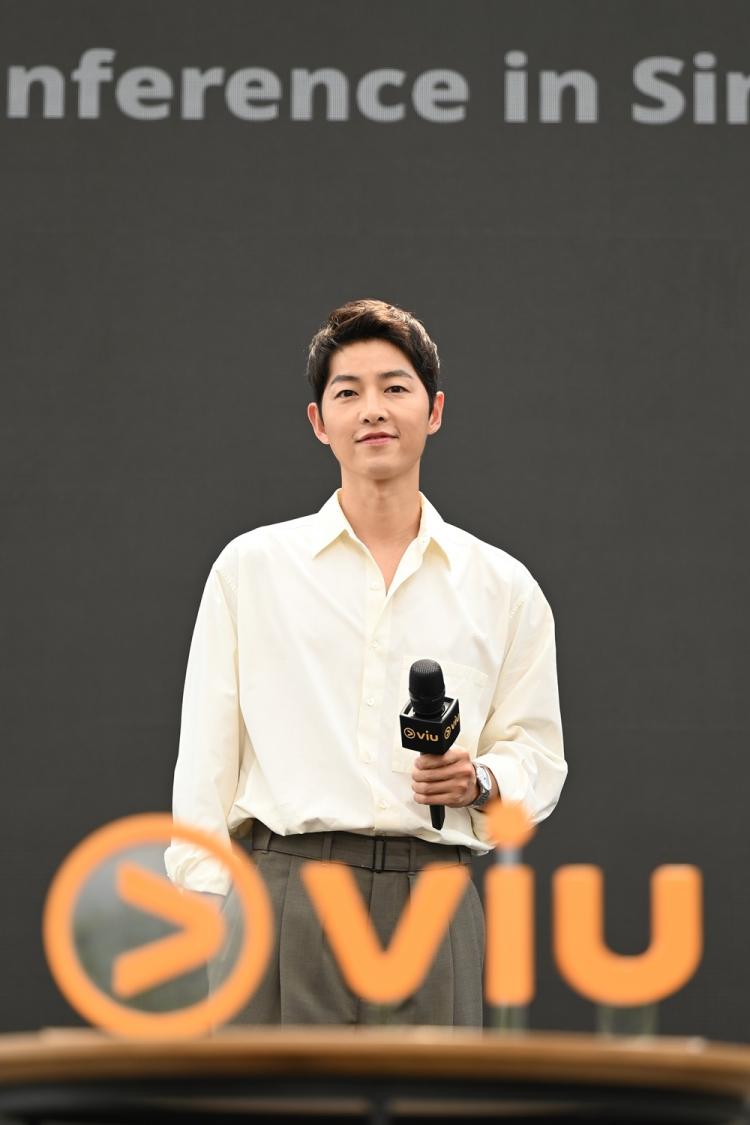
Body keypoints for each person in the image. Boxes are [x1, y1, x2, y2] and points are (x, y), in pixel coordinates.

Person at [164, 298, 567, 1026]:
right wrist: (204, 907)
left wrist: (478, 781)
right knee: (277, 1091)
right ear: (319, 422)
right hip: (284, 893)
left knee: (434, 1090)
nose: (373, 409)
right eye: (348, 391)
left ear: (434, 410)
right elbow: (206, 761)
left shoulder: (502, 586)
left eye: (395, 387)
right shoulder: (253, 568)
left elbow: (538, 755)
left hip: (435, 898)